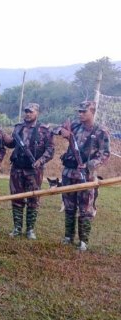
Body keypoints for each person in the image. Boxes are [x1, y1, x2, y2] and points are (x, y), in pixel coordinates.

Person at [55, 101, 110, 251]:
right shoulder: (75, 126)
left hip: (86, 176)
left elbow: (105, 154)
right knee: (69, 207)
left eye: (84, 112)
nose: (80, 114)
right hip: (69, 173)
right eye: (79, 111)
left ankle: (83, 241)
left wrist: (90, 165)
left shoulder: (100, 131)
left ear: (92, 112)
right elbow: (55, 129)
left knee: (85, 210)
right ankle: (68, 237)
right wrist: (62, 132)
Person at [3, 103, 54, 239]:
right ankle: (17, 228)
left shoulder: (44, 130)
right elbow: (12, 144)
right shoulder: (18, 127)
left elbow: (50, 150)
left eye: (30, 112)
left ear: (37, 113)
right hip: (17, 168)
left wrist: (40, 161)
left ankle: (30, 229)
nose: (28, 114)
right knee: (16, 198)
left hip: (34, 170)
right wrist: (5, 138)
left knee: (33, 199)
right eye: (26, 111)